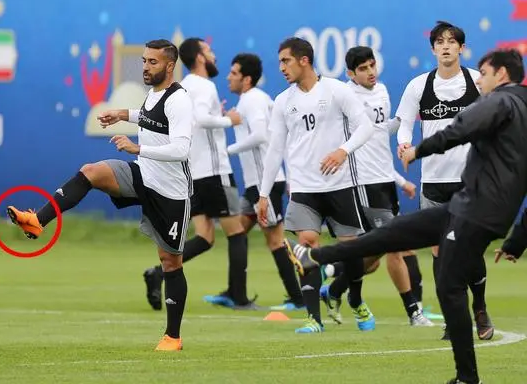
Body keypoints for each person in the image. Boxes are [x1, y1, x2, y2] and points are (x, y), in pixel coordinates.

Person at [286, 48, 527, 384]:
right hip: (467, 208)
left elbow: (461, 129)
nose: (479, 81)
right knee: (394, 233)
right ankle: (315, 257)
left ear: (501, 75)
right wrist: (517, 240)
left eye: (484, 74)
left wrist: (418, 149)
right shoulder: (519, 107)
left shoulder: (501, 101)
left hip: (476, 213)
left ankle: (467, 378)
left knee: (449, 286)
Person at [6, 39, 193, 351]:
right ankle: (37, 221)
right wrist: (123, 114)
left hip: (170, 192)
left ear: (170, 66)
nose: (146, 67)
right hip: (142, 175)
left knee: (170, 262)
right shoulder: (154, 93)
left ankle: (172, 337)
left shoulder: (180, 100)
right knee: (91, 171)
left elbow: (182, 149)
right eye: (144, 61)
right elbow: (150, 117)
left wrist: (137, 147)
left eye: (153, 62)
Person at [258, 37, 376, 333]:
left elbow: (365, 126)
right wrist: (263, 193)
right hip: (303, 189)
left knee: (352, 251)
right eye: (280, 61)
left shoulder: (336, 90)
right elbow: (275, 149)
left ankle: (355, 299)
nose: (281, 67)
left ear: (304, 60)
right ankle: (313, 318)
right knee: (307, 245)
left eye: (286, 60)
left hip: (340, 185)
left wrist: (343, 151)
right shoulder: (283, 101)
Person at [319, 46, 432, 326]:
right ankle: (414, 312)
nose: (371, 72)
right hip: (363, 183)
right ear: (350, 74)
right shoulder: (344, 97)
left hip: (384, 181)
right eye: (363, 69)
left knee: (372, 257)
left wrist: (402, 124)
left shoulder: (381, 90)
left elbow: (379, 132)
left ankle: (335, 285)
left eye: (372, 65)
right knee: (396, 245)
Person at [143, 37, 256, 310]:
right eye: (209, 51)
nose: (213, 55)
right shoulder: (205, 85)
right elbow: (201, 119)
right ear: (200, 57)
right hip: (216, 173)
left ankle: (157, 273)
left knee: (205, 237)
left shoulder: (181, 88)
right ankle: (238, 297)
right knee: (237, 232)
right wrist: (229, 119)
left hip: (192, 174)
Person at [396, 20, 492, 339]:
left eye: (452, 41)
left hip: (470, 181)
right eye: (440, 42)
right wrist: (404, 144)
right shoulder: (418, 86)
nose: (446, 46)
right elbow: (404, 124)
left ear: (461, 48)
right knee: (440, 252)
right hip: (434, 182)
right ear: (433, 49)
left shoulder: (477, 82)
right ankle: (453, 319)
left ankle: (479, 307)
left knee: (469, 249)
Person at [226, 52, 304, 311]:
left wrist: (228, 150)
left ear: (247, 79)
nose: (228, 77)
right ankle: (234, 293)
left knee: (275, 240)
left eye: (234, 73)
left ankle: (299, 295)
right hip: (255, 185)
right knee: (236, 232)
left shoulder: (253, 100)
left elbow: (260, 135)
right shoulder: (250, 100)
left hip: (264, 185)